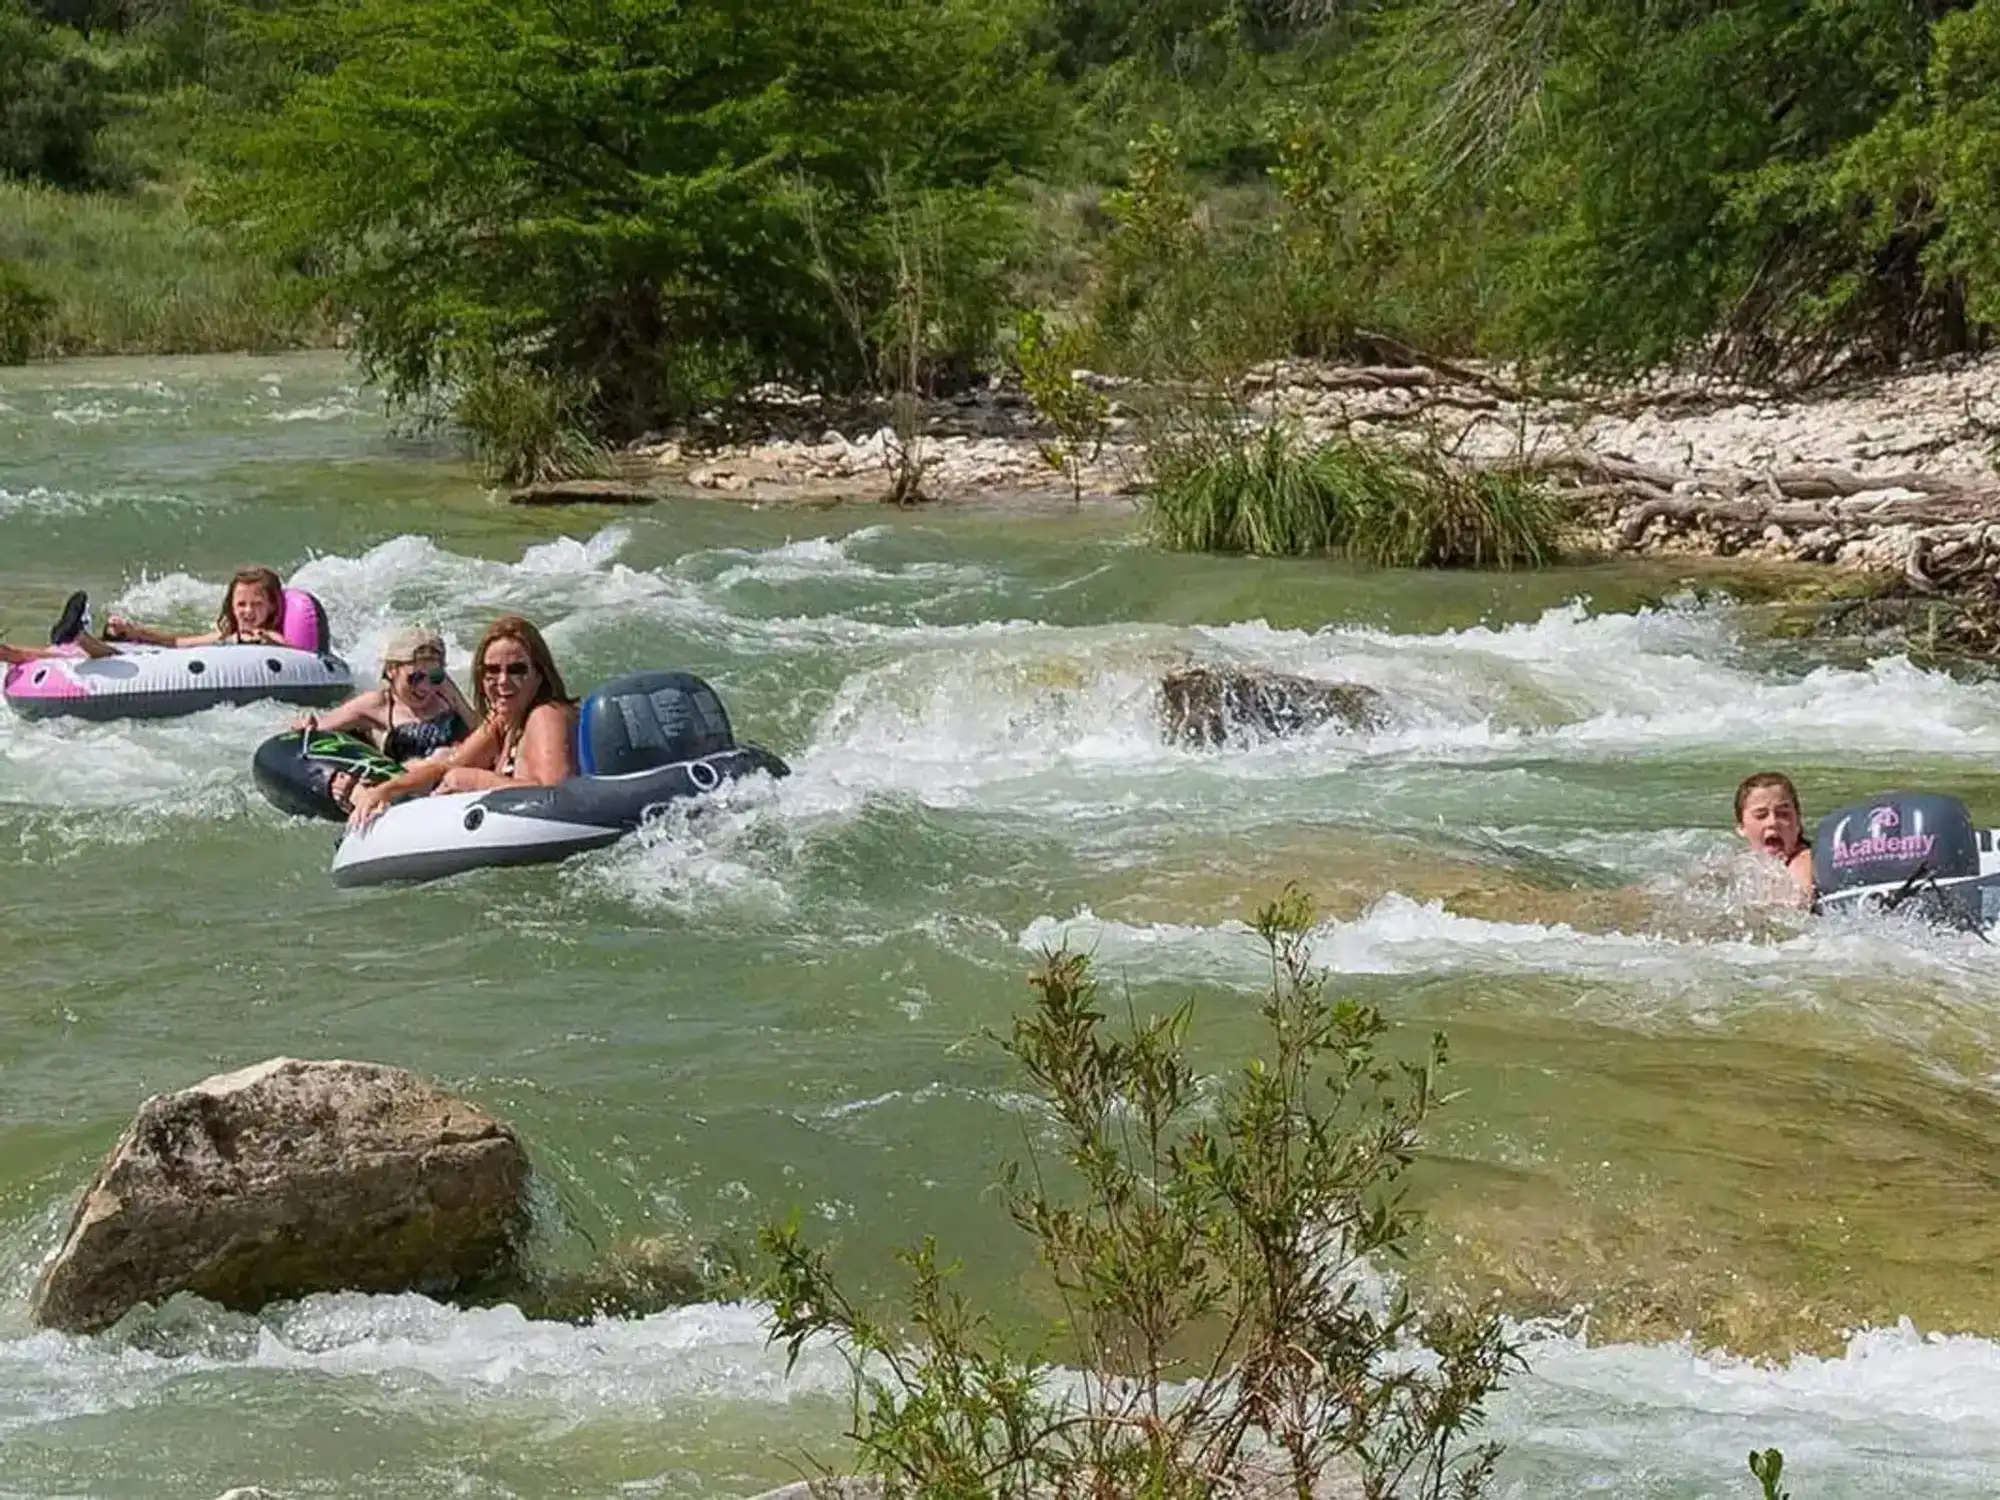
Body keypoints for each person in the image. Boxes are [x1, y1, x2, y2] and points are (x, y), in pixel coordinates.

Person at [346, 615, 576, 829]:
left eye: (517, 670)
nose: (502, 681)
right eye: (492, 671)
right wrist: (384, 791)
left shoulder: (546, 715)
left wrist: (475, 780)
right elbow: (445, 767)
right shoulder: (502, 720)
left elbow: (556, 798)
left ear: (539, 673)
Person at [294, 625, 475, 765]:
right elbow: (316, 730)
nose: (426, 687)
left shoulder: (445, 692)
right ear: (391, 670)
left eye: (435, 676)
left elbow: (481, 729)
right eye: (416, 677)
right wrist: (307, 725)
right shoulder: (376, 704)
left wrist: (455, 698)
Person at [105, 566, 291, 648]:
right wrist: (134, 631)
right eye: (241, 604)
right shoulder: (225, 635)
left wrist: (268, 641)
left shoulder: (270, 635)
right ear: (231, 607)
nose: (248, 611)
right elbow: (177, 642)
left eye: (257, 604)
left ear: (272, 606)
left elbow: (290, 648)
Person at [1735, 771, 1814, 904]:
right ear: (1741, 827)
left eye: (1784, 814)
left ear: (1798, 822)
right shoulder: (1744, 863)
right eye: (1761, 815)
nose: (1773, 821)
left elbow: (1797, 906)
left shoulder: (1806, 861)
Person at [0, 591, 116, 664]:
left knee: (55, 654)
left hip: (61, 649)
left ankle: (77, 635)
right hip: (68, 648)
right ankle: (79, 636)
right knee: (115, 656)